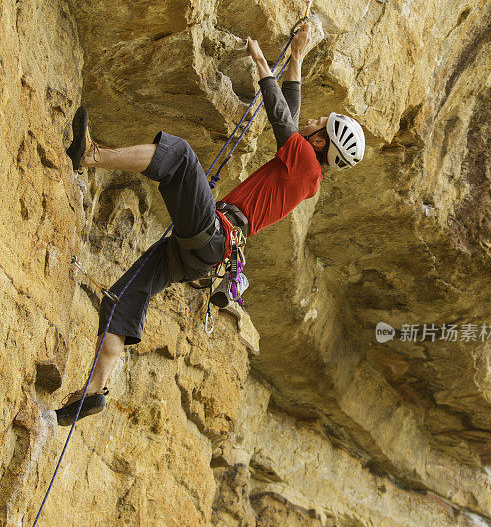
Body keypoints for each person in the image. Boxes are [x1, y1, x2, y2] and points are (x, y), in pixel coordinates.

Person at [56, 24, 365, 425]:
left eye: (319, 123)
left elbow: (281, 119)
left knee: (181, 157)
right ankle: (95, 390)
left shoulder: (305, 164)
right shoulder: (305, 171)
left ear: (321, 142)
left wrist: (262, 66)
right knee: (127, 294)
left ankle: (91, 155)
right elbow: (289, 113)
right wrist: (298, 58)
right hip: (206, 255)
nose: (310, 120)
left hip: (217, 237)